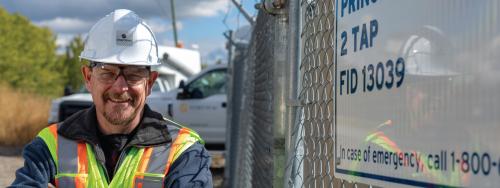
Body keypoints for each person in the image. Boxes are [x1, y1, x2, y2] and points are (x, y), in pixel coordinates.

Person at [10, 9, 212, 188]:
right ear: (88, 78)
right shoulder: (51, 145)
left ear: (149, 83)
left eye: (133, 74)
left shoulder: (183, 151)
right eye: (107, 72)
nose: (120, 87)